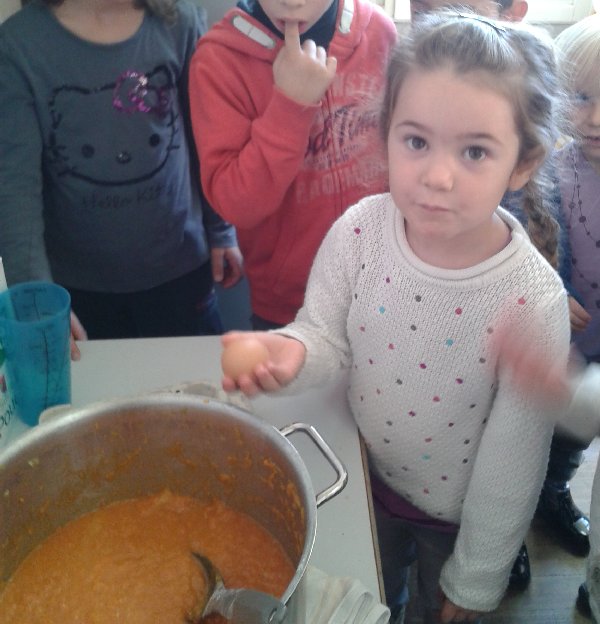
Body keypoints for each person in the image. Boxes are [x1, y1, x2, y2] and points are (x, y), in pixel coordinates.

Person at [219, 11, 571, 623]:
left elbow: (513, 458)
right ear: (385, 134)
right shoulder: (358, 233)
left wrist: (478, 576)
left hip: (455, 517)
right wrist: (292, 352)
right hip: (360, 476)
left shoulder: (531, 299)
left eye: (475, 151)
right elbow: (325, 334)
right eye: (416, 141)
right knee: (378, 596)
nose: (436, 175)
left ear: (522, 163)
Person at [409, 0, 593, 592]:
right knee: (518, 437)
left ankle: (547, 501)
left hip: (579, 364)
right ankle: (501, 532)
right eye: (582, 99)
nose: (593, 118)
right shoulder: (552, 172)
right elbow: (532, 234)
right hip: (544, 346)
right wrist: (552, 290)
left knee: (561, 448)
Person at [0, 0, 243, 356]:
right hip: (79, 290)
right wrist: (36, 296)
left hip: (181, 270)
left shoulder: (180, 21)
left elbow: (204, 135)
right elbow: (15, 185)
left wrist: (220, 227)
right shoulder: (18, 46)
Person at [188, 0, 397, 331]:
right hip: (289, 305)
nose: (292, 1)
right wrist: (290, 104)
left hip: (387, 287)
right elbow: (236, 203)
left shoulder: (380, 32)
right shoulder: (219, 61)